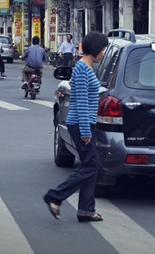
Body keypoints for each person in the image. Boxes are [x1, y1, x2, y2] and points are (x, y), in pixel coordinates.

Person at [43, 32, 108, 222]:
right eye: (102, 49)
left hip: (83, 123)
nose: (103, 53)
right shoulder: (82, 70)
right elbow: (79, 102)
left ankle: (86, 210)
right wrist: (87, 130)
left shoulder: (83, 69)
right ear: (95, 50)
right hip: (82, 124)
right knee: (89, 166)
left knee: (91, 166)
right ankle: (55, 196)